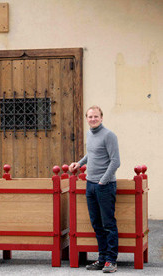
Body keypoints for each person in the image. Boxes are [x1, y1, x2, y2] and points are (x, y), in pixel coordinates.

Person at [69, 105, 120, 273]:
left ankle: (111, 260)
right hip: (90, 185)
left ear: (101, 117)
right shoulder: (89, 134)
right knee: (97, 224)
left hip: (104, 185)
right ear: (86, 118)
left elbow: (115, 161)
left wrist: (103, 181)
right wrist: (79, 163)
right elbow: (91, 154)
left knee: (108, 224)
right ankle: (102, 258)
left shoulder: (109, 135)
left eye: (96, 116)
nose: (93, 119)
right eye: (90, 117)